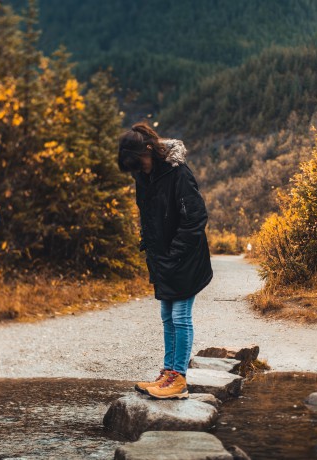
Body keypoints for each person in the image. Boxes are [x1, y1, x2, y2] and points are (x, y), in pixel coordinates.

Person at [118, 122, 213, 399]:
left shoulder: (178, 173)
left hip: (185, 256)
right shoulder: (143, 177)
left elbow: (195, 217)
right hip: (162, 258)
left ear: (150, 150)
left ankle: (178, 378)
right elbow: (147, 215)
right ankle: (168, 373)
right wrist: (150, 247)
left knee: (181, 317)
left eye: (139, 163)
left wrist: (174, 253)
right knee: (167, 317)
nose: (138, 169)